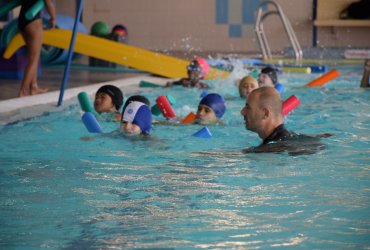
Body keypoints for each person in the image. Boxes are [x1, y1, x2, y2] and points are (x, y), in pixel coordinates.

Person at [240, 87, 331, 154]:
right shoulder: (305, 139)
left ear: (265, 113)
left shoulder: (269, 151)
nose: (242, 112)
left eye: (248, 107)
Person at [18, 0, 56, 97]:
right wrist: (53, 17)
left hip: (22, 20)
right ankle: (23, 91)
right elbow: (48, 2)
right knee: (33, 58)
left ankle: (34, 87)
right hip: (33, 21)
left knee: (34, 56)